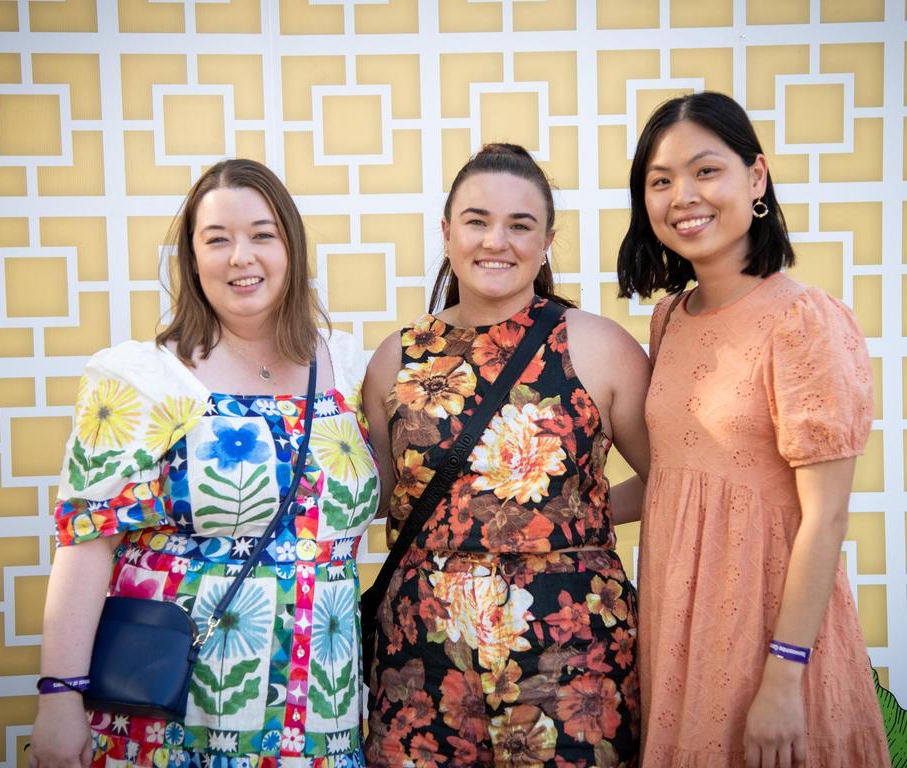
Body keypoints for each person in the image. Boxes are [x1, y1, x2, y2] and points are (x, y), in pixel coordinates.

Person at [29, 159, 379, 768]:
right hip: (172, 710)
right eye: (217, 239)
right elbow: (85, 543)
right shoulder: (145, 378)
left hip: (319, 709)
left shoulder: (347, 369)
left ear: (291, 247)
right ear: (192, 260)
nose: (241, 256)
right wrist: (59, 699)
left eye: (262, 235)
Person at [617, 91, 891, 768]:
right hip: (682, 627)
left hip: (772, 635)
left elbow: (824, 519)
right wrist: (550, 514)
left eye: (706, 170)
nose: (684, 195)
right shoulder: (669, 321)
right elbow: (676, 476)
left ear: (757, 178)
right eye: (660, 180)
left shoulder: (804, 321)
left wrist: (784, 676)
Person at [362, 143, 651, 767]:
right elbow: (380, 498)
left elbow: (676, 482)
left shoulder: (598, 345)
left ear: (547, 240)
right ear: (446, 233)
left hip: (573, 658)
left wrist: (577, 515)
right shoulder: (398, 357)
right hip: (421, 657)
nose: (497, 240)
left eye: (520, 225)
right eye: (476, 220)